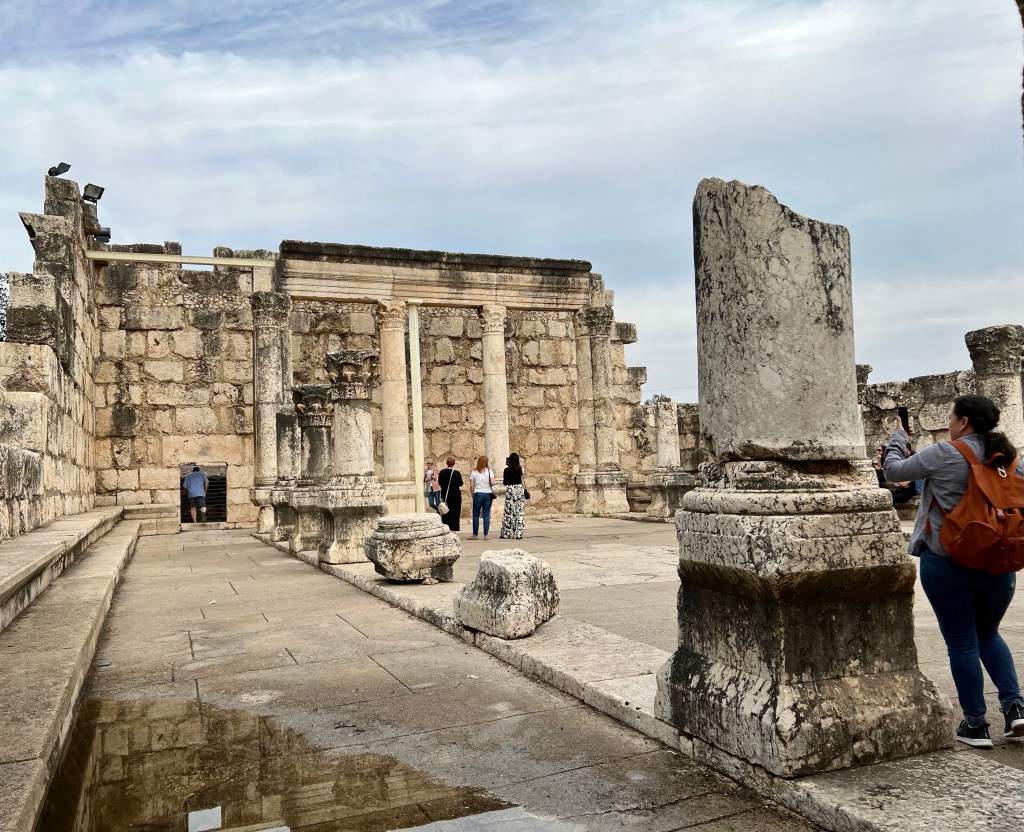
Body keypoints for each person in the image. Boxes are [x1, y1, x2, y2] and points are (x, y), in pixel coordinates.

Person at [884, 395, 1024, 748]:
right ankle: (1014, 708)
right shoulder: (1010, 460)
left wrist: (898, 438)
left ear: (963, 422)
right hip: (999, 560)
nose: (948, 422)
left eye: (950, 416)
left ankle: (976, 724)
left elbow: (894, 473)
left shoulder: (945, 452)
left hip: (947, 559)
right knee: (989, 634)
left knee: (962, 642)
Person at [500, 452, 527, 539]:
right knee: (520, 512)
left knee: (509, 512)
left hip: (511, 490)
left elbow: (505, 482)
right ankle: (519, 533)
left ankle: (507, 533)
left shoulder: (506, 470)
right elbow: (522, 480)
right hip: (519, 489)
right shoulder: (519, 469)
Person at [468, 454, 495, 540]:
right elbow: (493, 482)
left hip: (478, 493)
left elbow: (471, 485)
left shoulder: (474, 472)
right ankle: (486, 535)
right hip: (487, 494)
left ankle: (475, 535)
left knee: (475, 514)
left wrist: (473, 494)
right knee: (486, 514)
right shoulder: (489, 471)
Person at [437, 457, 463, 532]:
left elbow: (440, 483)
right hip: (455, 495)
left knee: (445, 511)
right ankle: (453, 529)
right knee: (455, 512)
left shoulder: (442, 472)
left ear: (446, 463)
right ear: (454, 464)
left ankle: (446, 528)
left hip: (445, 495)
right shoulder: (456, 473)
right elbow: (461, 483)